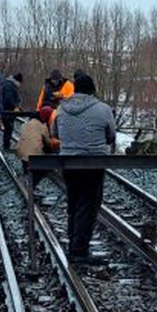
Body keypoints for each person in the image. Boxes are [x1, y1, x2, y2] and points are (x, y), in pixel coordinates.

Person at [52, 73, 116, 263]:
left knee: (74, 203)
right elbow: (111, 136)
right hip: (93, 164)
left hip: (68, 164)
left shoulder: (61, 108)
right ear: (93, 90)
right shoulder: (103, 109)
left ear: (76, 89)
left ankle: (73, 243)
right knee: (88, 206)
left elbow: (55, 133)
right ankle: (79, 251)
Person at [16, 106, 56, 187]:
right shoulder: (42, 126)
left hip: (21, 154)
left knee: (27, 148)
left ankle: (26, 174)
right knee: (46, 167)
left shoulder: (25, 124)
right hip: (34, 157)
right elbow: (49, 143)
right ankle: (31, 185)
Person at [1, 72, 23, 150]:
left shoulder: (9, 84)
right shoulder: (9, 86)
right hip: (7, 111)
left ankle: (6, 144)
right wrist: (15, 107)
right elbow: (8, 98)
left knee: (8, 128)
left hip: (8, 110)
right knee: (8, 128)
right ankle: (6, 146)